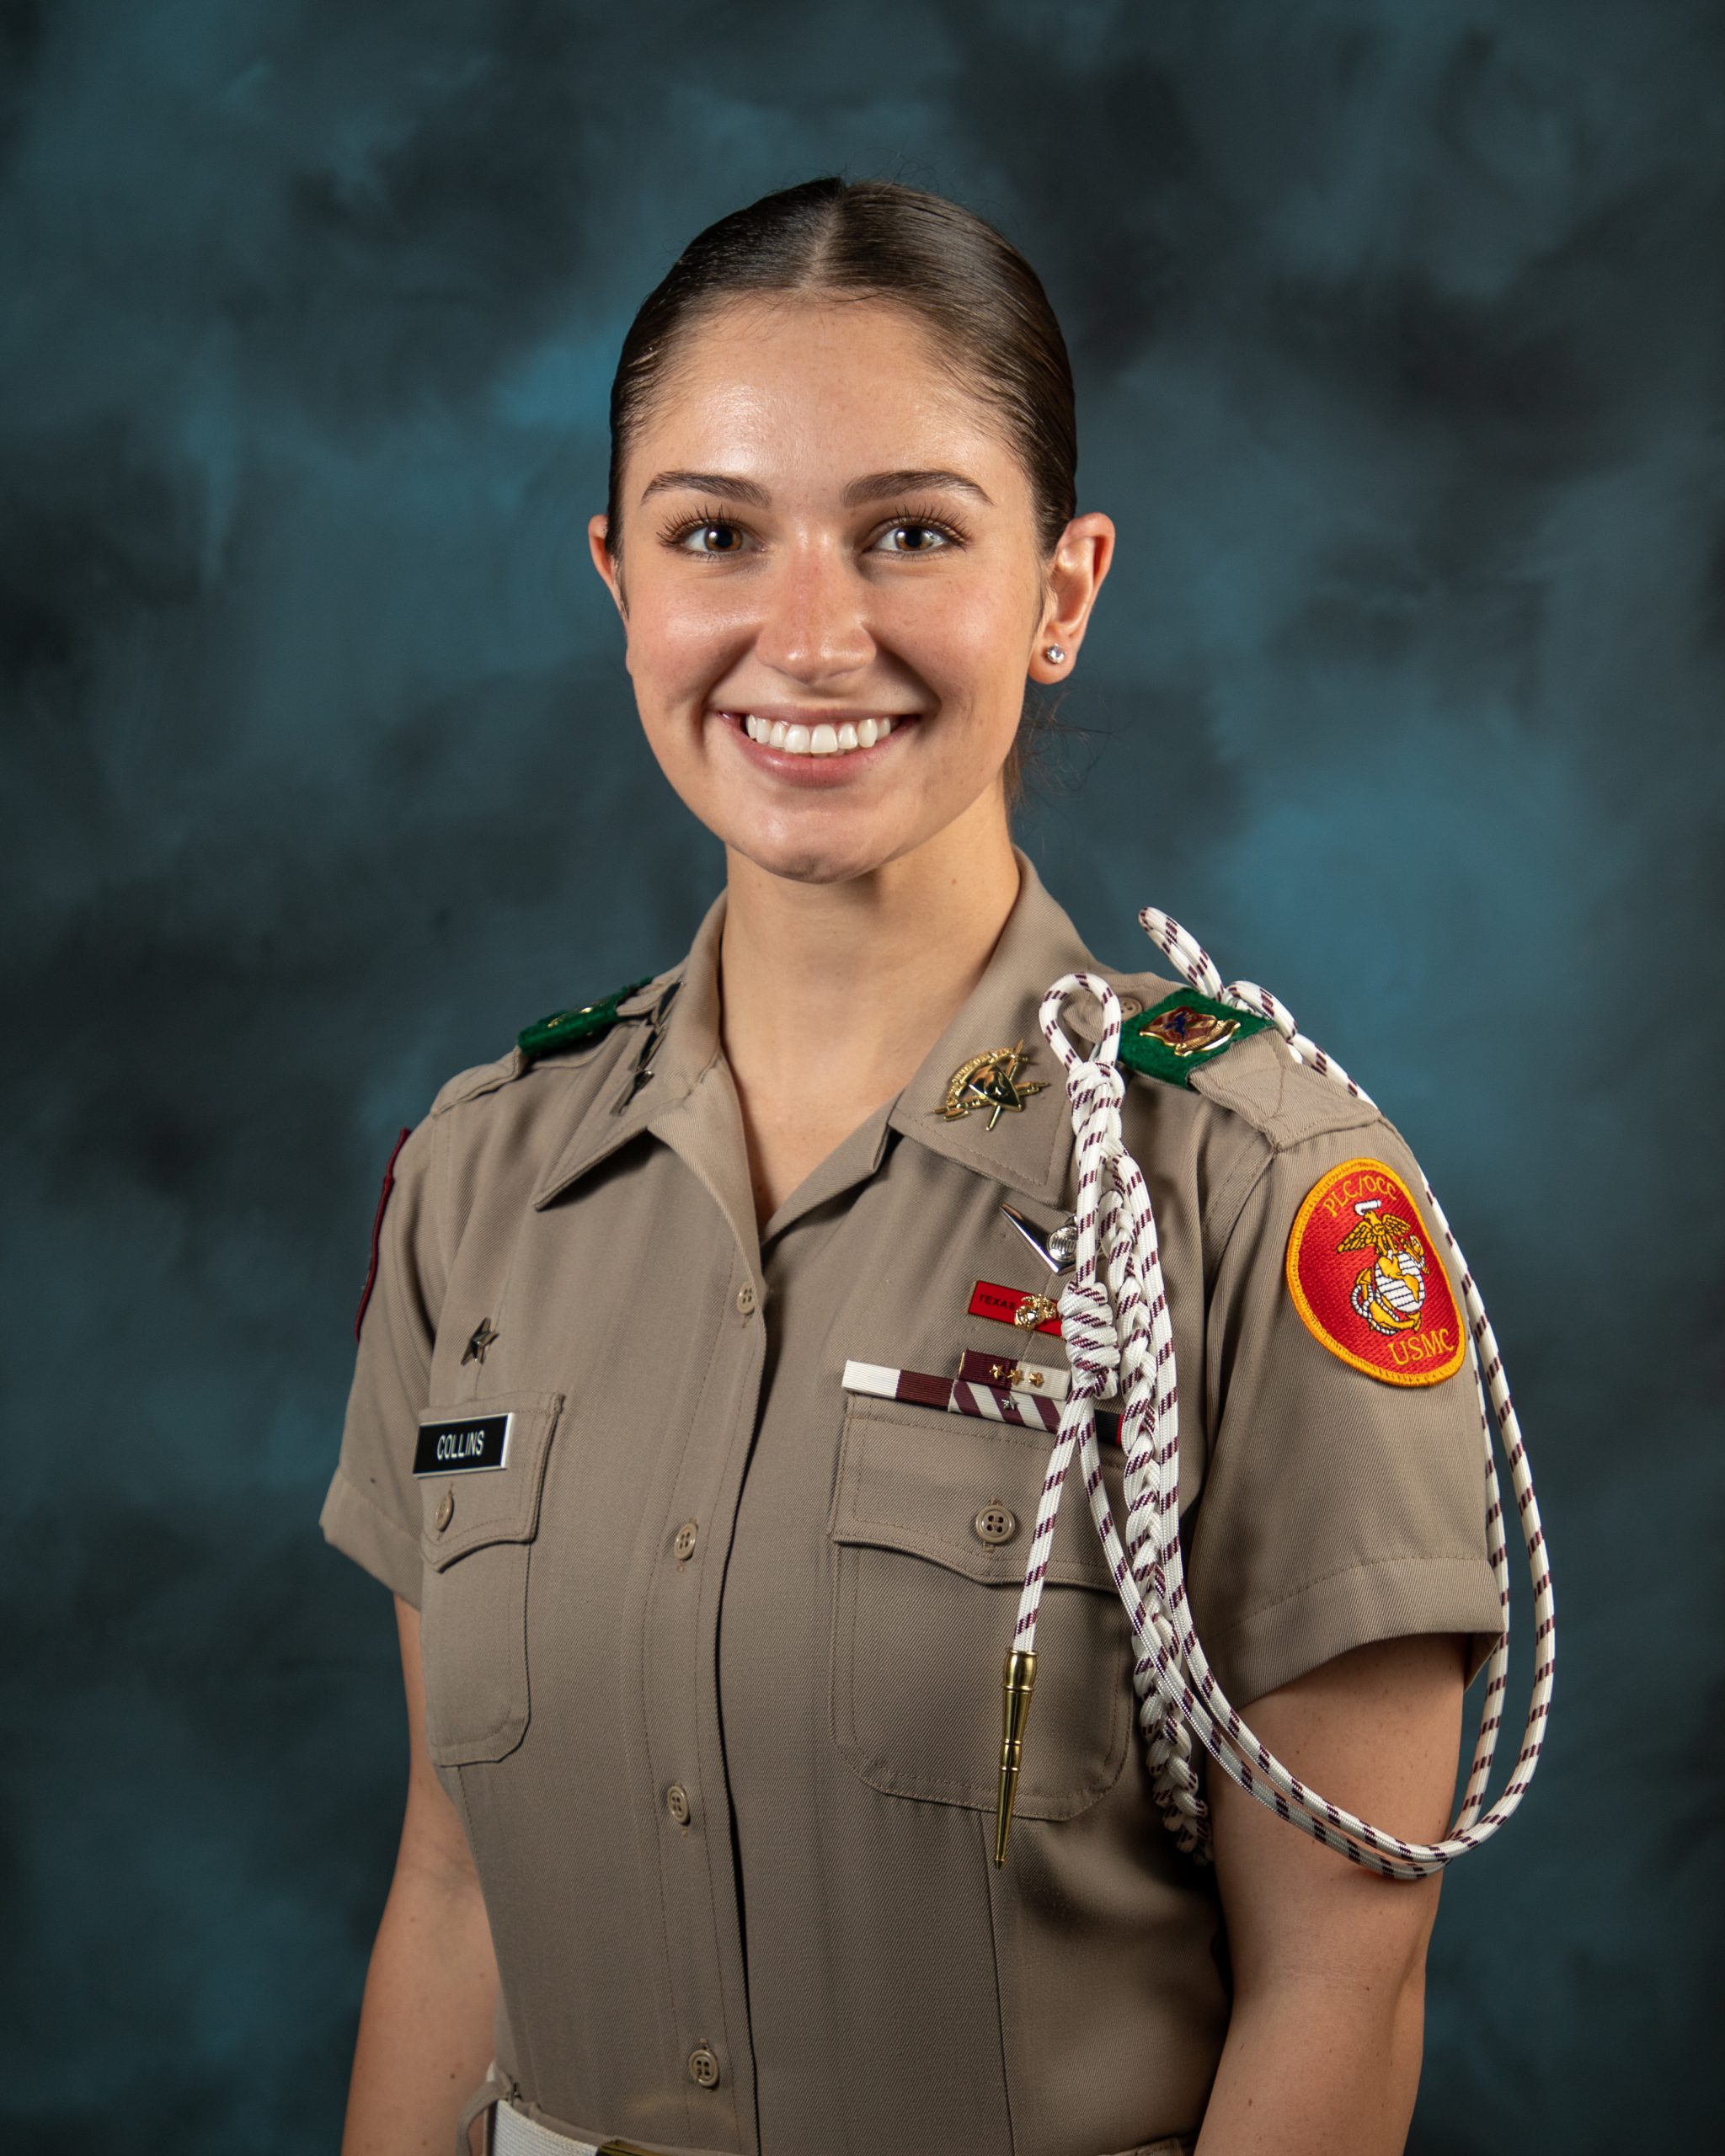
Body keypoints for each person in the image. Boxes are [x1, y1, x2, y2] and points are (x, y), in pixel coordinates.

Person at [321, 178, 1511, 2156]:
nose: (809, 634)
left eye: (909, 533)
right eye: (717, 533)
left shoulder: (1251, 1190)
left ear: (1061, 590)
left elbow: (1342, 1973)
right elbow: (452, 1877)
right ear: (619, 578)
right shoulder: (483, 1175)